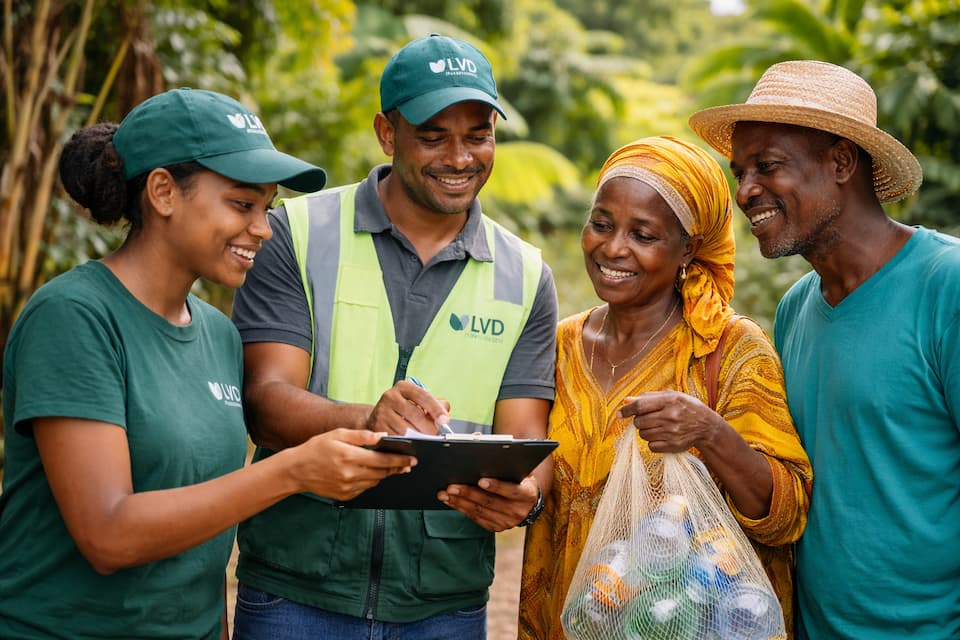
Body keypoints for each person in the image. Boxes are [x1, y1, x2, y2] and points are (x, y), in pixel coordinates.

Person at [0, 88, 418, 640]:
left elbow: (206, 538)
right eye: (242, 205)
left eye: (267, 208)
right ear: (163, 192)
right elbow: (108, 535)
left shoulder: (219, 335)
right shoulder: (74, 317)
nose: (263, 228)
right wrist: (293, 471)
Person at [227, 33, 558, 639]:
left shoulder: (526, 275)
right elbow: (265, 404)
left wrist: (526, 496)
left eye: (478, 135)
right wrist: (367, 421)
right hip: (296, 591)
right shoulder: (295, 233)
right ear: (387, 133)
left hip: (444, 604)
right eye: (433, 137)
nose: (460, 158)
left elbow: (526, 441)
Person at [689, 60, 959, 639]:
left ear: (840, 162)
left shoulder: (946, 287)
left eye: (767, 166)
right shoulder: (795, 309)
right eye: (740, 172)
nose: (746, 191)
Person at [518, 135, 813, 639]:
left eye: (643, 234)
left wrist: (710, 432)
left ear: (688, 248)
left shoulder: (727, 348)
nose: (614, 248)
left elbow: (786, 514)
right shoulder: (560, 346)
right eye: (602, 224)